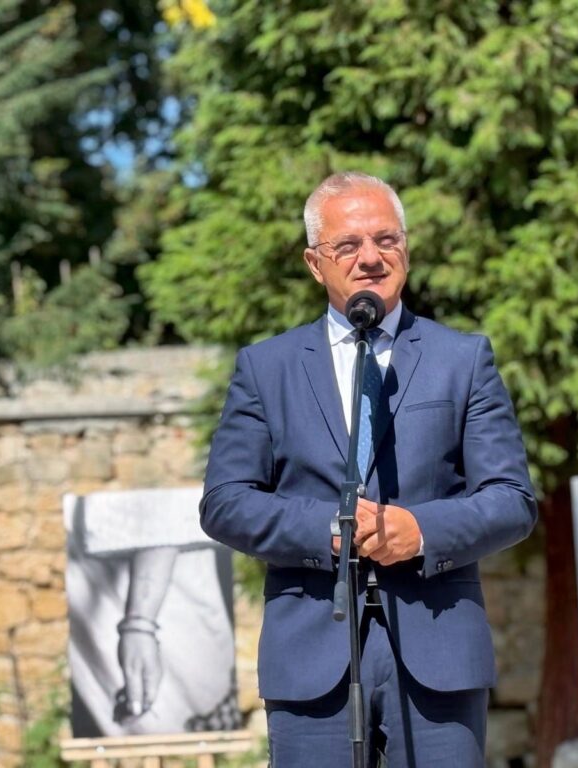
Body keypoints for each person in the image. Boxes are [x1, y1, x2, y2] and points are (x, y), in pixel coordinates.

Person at [201, 171, 537, 766]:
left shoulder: (462, 359)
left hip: (438, 650)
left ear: (406, 248)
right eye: (348, 245)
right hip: (310, 655)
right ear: (315, 263)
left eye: (387, 240)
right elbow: (226, 502)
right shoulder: (267, 368)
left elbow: (512, 498)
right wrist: (329, 531)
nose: (371, 258)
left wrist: (422, 531)